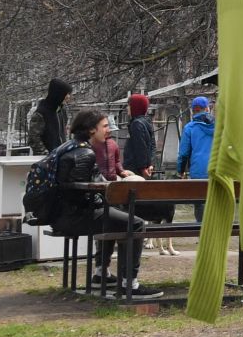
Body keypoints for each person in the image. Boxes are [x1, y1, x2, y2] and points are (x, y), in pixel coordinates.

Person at [49, 108, 162, 300]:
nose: (108, 129)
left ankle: (102, 273)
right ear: (92, 130)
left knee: (116, 215)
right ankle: (130, 285)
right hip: (74, 217)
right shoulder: (85, 153)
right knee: (136, 223)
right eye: (104, 126)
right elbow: (86, 191)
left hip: (63, 214)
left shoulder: (70, 147)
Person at [121, 94, 178, 240]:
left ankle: (133, 234)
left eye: (129, 105)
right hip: (145, 167)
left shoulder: (136, 124)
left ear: (135, 107)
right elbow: (152, 146)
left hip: (135, 169)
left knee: (132, 203)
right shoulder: (146, 122)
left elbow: (140, 147)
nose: (127, 108)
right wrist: (150, 164)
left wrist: (142, 167)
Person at [179, 96, 215, 221]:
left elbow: (183, 153)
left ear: (194, 110)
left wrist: (181, 170)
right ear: (207, 108)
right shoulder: (219, 126)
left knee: (200, 205)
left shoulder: (190, 128)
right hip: (217, 170)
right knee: (215, 203)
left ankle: (201, 231)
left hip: (198, 172)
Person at [30, 78, 71, 155]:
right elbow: (34, 138)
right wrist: (46, 155)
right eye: (66, 93)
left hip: (60, 157)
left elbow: (63, 134)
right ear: (58, 94)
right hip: (46, 161)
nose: (68, 97)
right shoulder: (41, 113)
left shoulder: (62, 111)